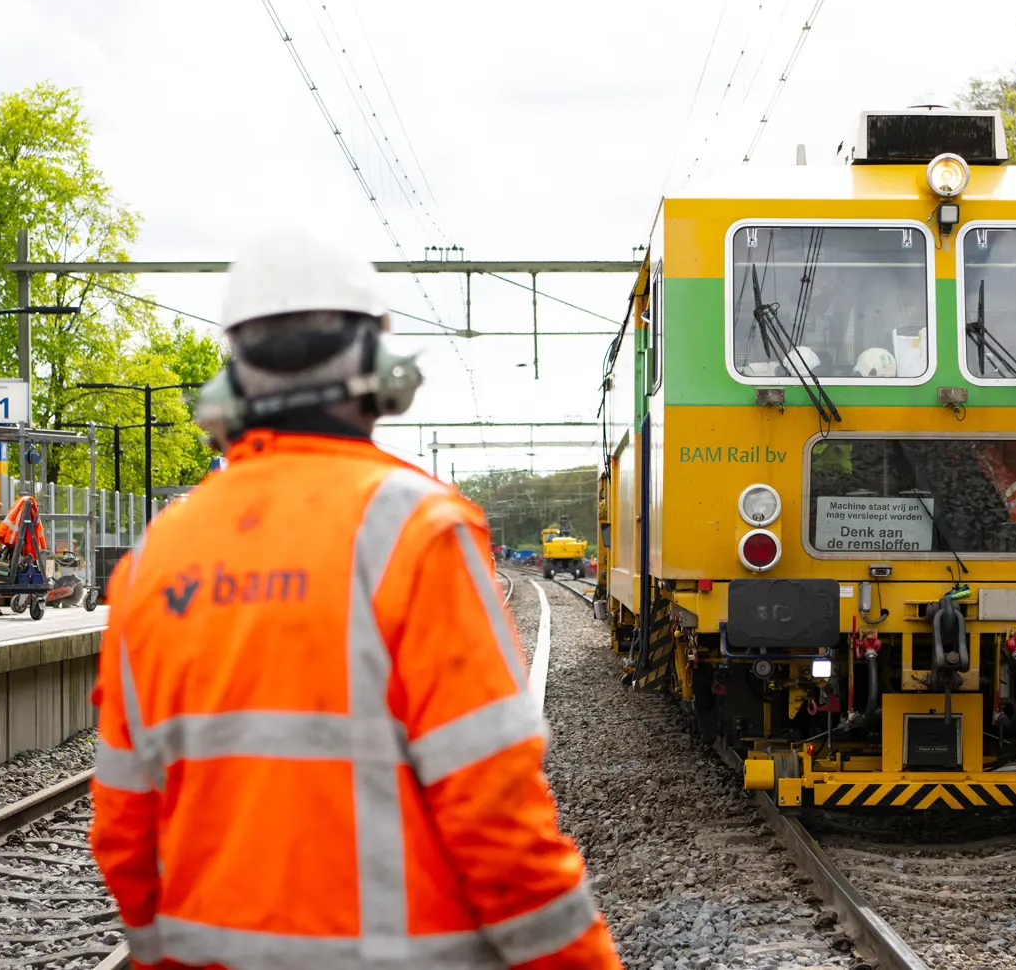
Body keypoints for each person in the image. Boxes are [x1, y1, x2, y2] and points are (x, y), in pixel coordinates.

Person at [89, 232, 622, 970]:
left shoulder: (157, 555)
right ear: (382, 370)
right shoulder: (418, 530)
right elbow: (495, 815)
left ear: (231, 382)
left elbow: (123, 824)